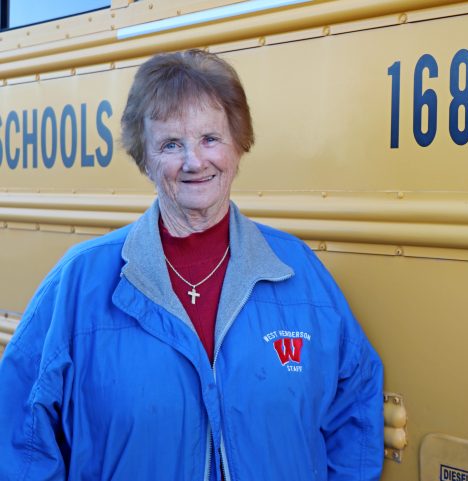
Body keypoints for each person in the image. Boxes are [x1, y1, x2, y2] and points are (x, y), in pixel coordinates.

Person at [0, 49, 384, 480]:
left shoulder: (297, 271)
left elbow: (357, 401)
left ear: (239, 146)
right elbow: (21, 432)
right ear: (144, 159)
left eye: (210, 139)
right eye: (170, 144)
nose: (194, 161)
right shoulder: (80, 281)